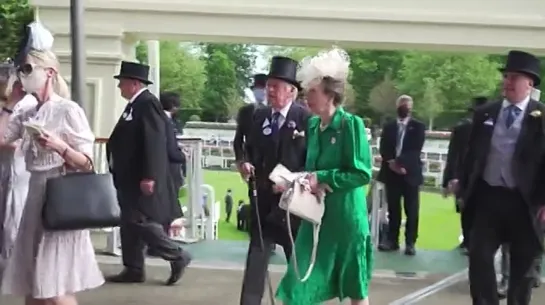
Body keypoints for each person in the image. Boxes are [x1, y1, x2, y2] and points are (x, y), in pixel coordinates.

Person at [0, 21, 104, 304]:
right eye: (21, 69)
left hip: (60, 200)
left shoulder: (68, 110)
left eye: (28, 69)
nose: (23, 75)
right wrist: (11, 103)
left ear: (49, 73)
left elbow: (87, 163)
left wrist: (59, 146)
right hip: (34, 198)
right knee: (32, 287)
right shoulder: (29, 112)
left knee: (54, 289)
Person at [276, 48, 373, 305]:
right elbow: (312, 170)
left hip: (346, 218)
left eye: (312, 92)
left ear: (330, 94)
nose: (306, 97)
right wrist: (293, 182)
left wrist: (323, 177)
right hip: (316, 217)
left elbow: (362, 172)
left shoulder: (351, 124)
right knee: (296, 285)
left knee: (355, 287)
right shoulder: (312, 126)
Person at [451, 50, 545, 305]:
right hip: (488, 198)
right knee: (479, 257)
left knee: (523, 268)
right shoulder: (486, 113)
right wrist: (462, 183)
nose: (508, 82)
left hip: (525, 202)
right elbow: (470, 154)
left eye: (514, 77)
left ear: (530, 83)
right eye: (506, 76)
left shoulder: (541, 117)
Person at [105, 61, 191, 286]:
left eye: (122, 82)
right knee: (129, 222)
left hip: (140, 177)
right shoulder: (134, 105)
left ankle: (177, 255)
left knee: (140, 220)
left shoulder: (147, 104)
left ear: (134, 83)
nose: (119, 87)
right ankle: (133, 267)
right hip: (127, 177)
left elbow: (154, 141)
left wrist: (150, 175)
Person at [238, 56, 310, 305]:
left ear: (291, 91)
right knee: (257, 255)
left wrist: (291, 182)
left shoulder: (306, 119)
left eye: (275, 86)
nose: (269, 90)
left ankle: (301, 301)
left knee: (296, 259)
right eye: (268, 85)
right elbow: (249, 148)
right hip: (263, 200)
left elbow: (312, 163)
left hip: (293, 204)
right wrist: (245, 163)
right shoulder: (259, 117)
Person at [0, 62, 37, 277]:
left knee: (12, 219)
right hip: (9, 168)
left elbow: (10, 141)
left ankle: (13, 270)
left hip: (17, 169)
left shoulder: (26, 104)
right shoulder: (11, 104)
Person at [377, 95, 425, 256]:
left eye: (407, 106)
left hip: (410, 173)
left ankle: (410, 242)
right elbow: (383, 147)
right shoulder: (389, 126)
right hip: (392, 174)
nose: (404, 108)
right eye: (402, 105)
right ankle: (392, 240)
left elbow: (415, 149)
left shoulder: (418, 127)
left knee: (411, 210)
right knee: (393, 209)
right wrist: (392, 163)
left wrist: (401, 164)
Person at [442, 96, 488, 254]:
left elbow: (453, 154)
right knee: (468, 209)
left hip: (473, 175)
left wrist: (449, 178)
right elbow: (455, 154)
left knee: (469, 210)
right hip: (469, 175)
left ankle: (470, 241)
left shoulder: (465, 128)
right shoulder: (466, 129)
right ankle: (470, 241)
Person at [145, 91, 185, 257]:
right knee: (165, 208)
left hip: (157, 170)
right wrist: (182, 155)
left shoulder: (155, 119)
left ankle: (158, 244)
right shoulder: (167, 122)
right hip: (169, 171)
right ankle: (163, 245)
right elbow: (171, 150)